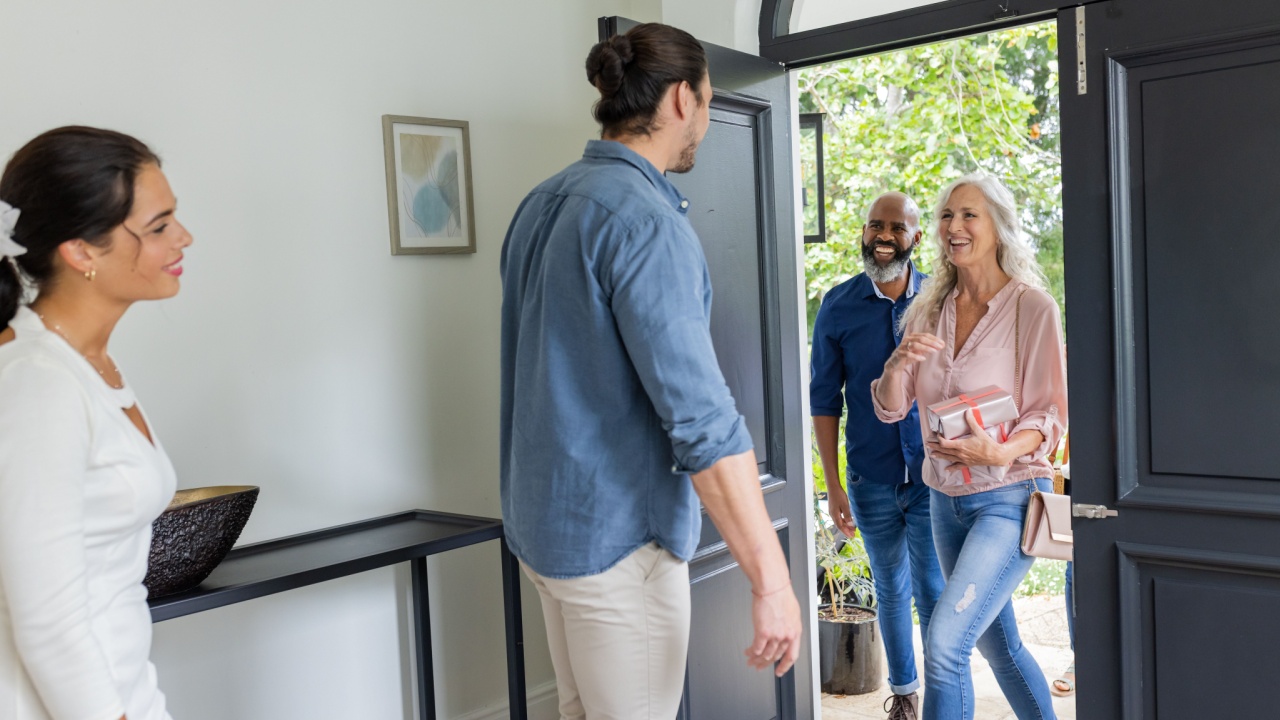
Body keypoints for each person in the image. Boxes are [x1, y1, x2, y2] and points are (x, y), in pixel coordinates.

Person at [498, 23, 802, 720]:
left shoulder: (541, 204)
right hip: (617, 548)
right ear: (678, 101)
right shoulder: (644, 223)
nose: (706, 122)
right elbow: (701, 419)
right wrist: (771, 577)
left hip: (546, 536)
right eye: (705, 102)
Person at [0, 126, 192, 720]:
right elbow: (47, 619)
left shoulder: (90, 367)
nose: (183, 237)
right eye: (158, 227)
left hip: (125, 688)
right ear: (81, 251)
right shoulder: (37, 382)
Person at [872, 173, 1066, 720]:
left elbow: (1048, 415)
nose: (954, 227)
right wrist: (896, 366)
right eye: (946, 216)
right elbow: (891, 407)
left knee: (944, 644)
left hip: (1009, 496)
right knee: (998, 646)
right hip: (944, 501)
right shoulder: (929, 309)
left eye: (969, 215)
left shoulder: (1033, 308)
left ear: (998, 226)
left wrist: (1000, 453)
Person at [810, 192, 944, 720]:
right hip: (871, 478)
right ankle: (905, 695)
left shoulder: (941, 300)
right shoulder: (837, 306)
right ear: (864, 233)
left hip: (935, 476)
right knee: (890, 587)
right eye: (874, 226)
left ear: (914, 237)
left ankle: (944, 692)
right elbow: (825, 402)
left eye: (895, 227)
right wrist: (835, 483)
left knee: (932, 590)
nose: (883, 236)